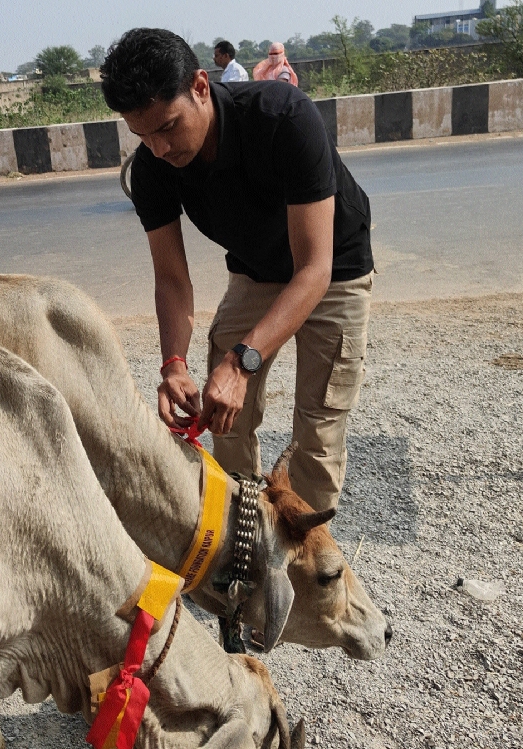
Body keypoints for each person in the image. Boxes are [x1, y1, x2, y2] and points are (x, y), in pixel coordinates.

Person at [99, 28, 374, 514]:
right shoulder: (151, 169)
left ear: (201, 86)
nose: (159, 148)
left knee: (319, 428)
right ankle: (241, 538)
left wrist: (242, 360)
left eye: (168, 126)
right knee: (223, 413)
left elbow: (314, 269)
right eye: (142, 135)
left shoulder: (282, 116)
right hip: (255, 271)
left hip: (334, 270)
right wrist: (173, 364)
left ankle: (304, 565)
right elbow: (171, 278)